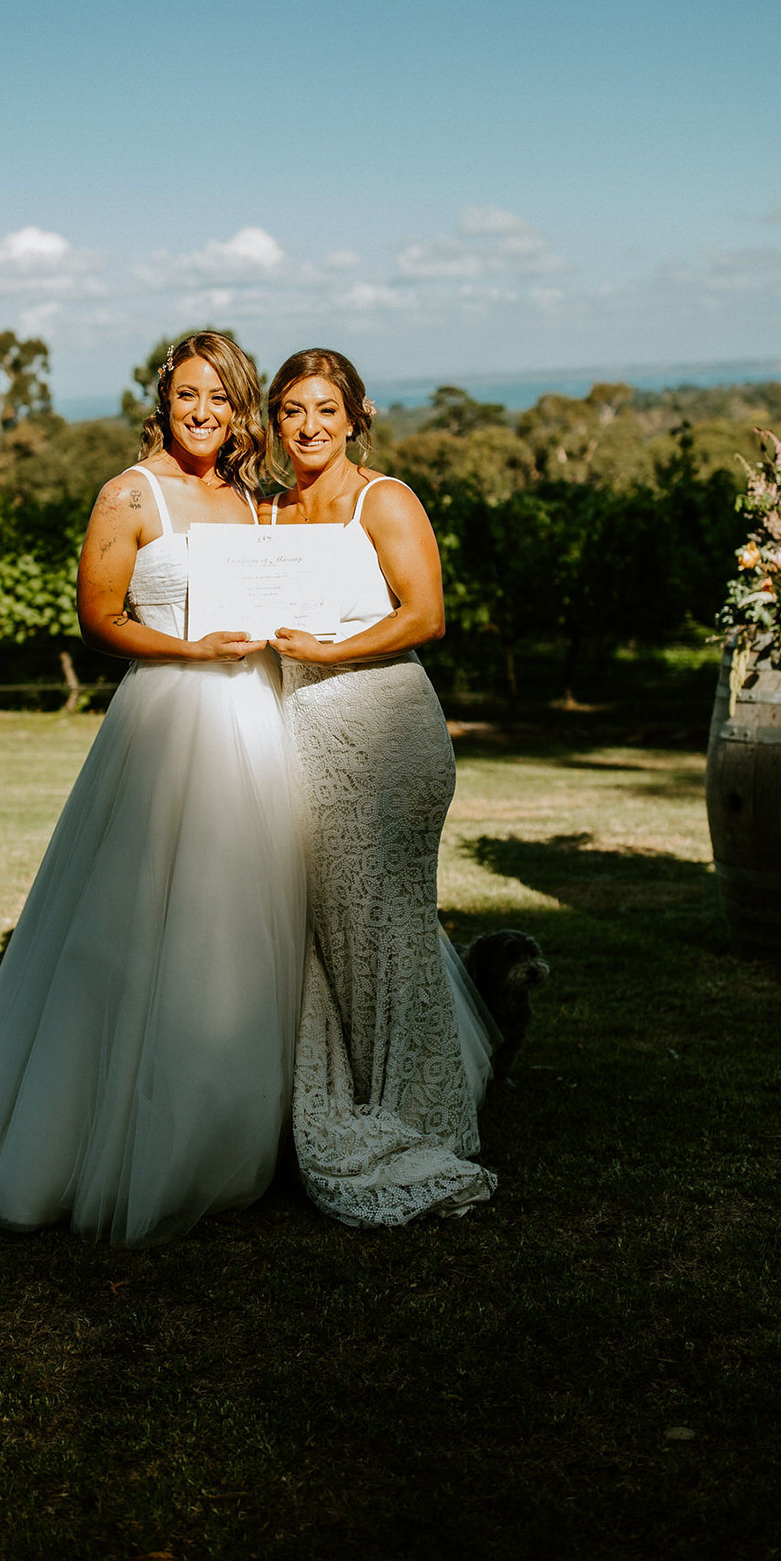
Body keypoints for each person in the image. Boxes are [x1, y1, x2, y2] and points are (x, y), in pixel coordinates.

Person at [0, 333, 306, 1247]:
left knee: (255, 918)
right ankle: (119, 1138)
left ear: (241, 406)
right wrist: (188, 650)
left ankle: (253, 1124)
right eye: (186, 397)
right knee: (139, 928)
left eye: (220, 398)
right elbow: (100, 619)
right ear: (163, 403)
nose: (203, 413)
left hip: (260, 715)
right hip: (169, 722)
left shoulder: (253, 497)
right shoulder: (129, 495)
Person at [263, 347, 498, 1229]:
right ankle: (350, 1091)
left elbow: (425, 613)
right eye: (292, 410)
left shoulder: (383, 498)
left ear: (356, 415)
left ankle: (429, 1119)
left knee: (389, 924)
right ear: (276, 422)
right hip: (303, 736)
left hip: (385, 730)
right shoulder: (270, 512)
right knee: (327, 928)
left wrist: (326, 651)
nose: (309, 427)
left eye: (326, 409)